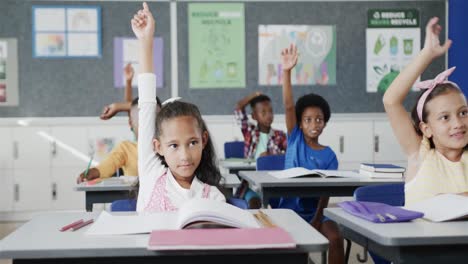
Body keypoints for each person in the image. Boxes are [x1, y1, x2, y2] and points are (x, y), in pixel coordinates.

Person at [132, 2, 225, 212]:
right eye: (173, 145)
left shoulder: (213, 197)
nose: (184, 155)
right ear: (157, 147)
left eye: (192, 143)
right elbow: (146, 104)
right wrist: (146, 41)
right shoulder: (151, 173)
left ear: (203, 140)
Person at [383, 17, 468, 206]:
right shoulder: (420, 154)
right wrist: (426, 54)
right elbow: (391, 100)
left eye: (463, 113)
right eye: (445, 117)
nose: (458, 123)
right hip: (422, 236)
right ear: (426, 128)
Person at [281, 43, 343, 264]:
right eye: (308, 120)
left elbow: (325, 194)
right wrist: (287, 71)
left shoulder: (330, 156)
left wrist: (317, 219)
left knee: (335, 238)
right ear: (300, 122)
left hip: (316, 210)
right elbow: (289, 105)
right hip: (290, 210)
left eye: (319, 119)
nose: (314, 124)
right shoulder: (295, 138)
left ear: (325, 123)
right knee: (296, 247)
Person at [76, 97, 161, 183]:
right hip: (135, 196)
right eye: (142, 123)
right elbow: (106, 166)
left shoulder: (167, 146)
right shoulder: (125, 148)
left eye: (154, 121)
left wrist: (118, 107)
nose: (149, 127)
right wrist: (92, 172)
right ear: (131, 123)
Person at [234, 92, 287, 159]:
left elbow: (291, 153)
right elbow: (238, 108)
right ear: (254, 116)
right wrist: (254, 95)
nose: (268, 115)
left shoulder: (279, 135)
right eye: (263, 112)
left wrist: (273, 156)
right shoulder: (250, 131)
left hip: (271, 169)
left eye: (270, 111)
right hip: (251, 169)